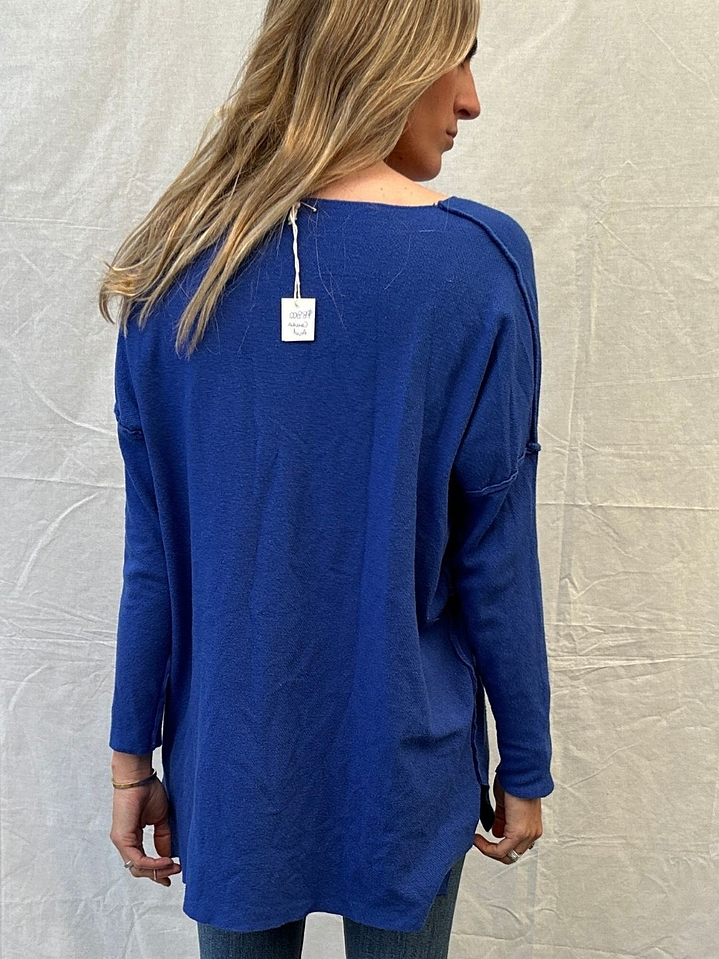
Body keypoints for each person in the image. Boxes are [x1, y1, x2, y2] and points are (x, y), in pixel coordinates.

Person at [100, 0, 554, 956]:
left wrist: (129, 756)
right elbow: (495, 551)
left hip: (230, 761)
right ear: (387, 60)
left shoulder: (172, 267)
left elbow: (155, 556)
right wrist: (525, 759)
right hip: (404, 764)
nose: (471, 100)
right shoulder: (476, 264)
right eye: (457, 61)